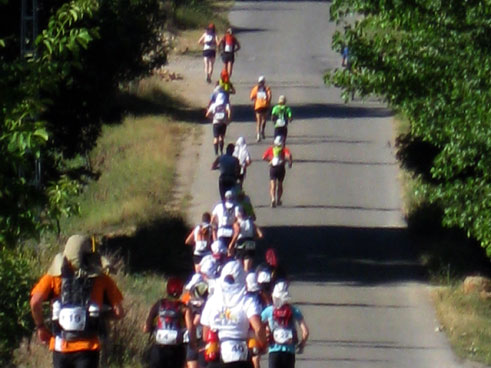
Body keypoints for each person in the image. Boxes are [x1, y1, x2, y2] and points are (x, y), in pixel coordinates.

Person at [30, 235, 124, 368]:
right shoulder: (102, 279)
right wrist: (98, 317)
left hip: (60, 346)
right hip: (88, 348)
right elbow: (119, 312)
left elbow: (35, 302)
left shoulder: (53, 277)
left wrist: (40, 327)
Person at [200, 260, 267, 368]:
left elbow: (205, 334)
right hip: (242, 357)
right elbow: (258, 328)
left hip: (217, 353)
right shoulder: (247, 301)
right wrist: (263, 344)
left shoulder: (212, 301)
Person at [261, 282, 309, 368]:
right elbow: (305, 332)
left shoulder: (269, 311)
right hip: (289, 352)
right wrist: (301, 345)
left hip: (274, 351)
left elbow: (258, 326)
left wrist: (263, 340)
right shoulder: (294, 310)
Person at [144, 277, 188, 368]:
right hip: (177, 349)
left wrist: (152, 328)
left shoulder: (159, 304)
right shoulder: (183, 308)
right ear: (180, 291)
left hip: (159, 348)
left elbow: (146, 328)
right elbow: (191, 329)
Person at [182, 281, 209, 368]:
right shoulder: (210, 303)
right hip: (202, 338)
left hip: (190, 337)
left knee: (191, 362)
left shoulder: (187, 299)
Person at [230, 206, 263, 272]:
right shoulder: (250, 222)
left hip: (241, 241)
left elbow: (237, 232)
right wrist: (253, 237)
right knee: (247, 266)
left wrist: (231, 244)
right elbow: (261, 235)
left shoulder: (237, 223)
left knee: (239, 264)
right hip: (250, 242)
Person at [262, 136, 293, 207]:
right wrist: (289, 162)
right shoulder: (284, 149)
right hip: (281, 168)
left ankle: (273, 199)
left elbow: (263, 157)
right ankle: (278, 199)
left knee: (273, 185)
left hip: (273, 168)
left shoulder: (271, 149)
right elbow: (289, 156)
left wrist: (270, 160)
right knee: (280, 184)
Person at [250, 76, 272, 142]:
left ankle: (258, 135)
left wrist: (255, 98)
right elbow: (269, 96)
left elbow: (251, 97)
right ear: (264, 82)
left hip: (258, 106)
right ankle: (262, 130)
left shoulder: (256, 88)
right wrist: (268, 102)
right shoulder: (267, 88)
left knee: (258, 121)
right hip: (265, 106)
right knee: (264, 120)